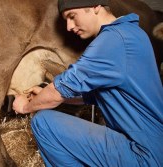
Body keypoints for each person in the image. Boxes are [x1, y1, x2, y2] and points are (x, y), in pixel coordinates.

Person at [13, 0, 163, 166]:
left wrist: (26, 107)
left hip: (143, 154)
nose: (69, 26)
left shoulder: (111, 41)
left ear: (95, 6)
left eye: (72, 16)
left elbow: (59, 90)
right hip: (153, 146)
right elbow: (93, 96)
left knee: (43, 123)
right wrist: (44, 96)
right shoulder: (131, 32)